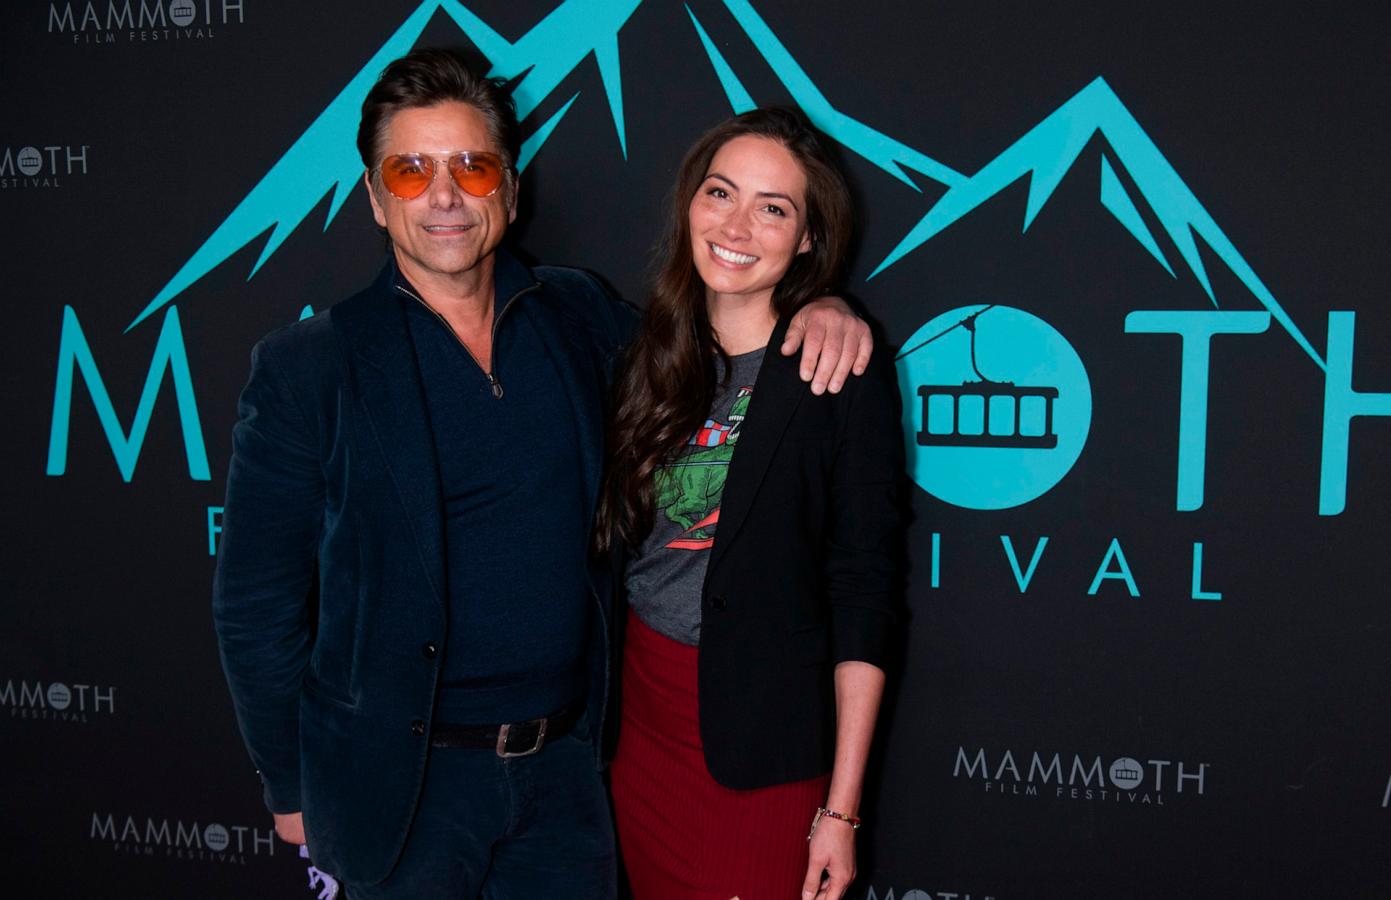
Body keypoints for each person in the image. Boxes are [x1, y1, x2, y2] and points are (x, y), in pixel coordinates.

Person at [211, 50, 873, 899]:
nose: (444, 196)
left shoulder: (581, 316)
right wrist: (290, 787)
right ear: (375, 200)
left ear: (510, 191)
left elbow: (717, 331)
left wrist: (823, 302)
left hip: (567, 778)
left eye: (471, 166)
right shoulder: (311, 368)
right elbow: (255, 604)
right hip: (404, 793)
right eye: (410, 171)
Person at [596, 108, 904, 900]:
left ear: (807, 238)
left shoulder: (837, 367)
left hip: (761, 742)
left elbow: (865, 588)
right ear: (689, 206)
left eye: (773, 207)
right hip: (640, 722)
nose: (737, 225)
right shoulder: (641, 354)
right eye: (720, 193)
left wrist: (842, 810)